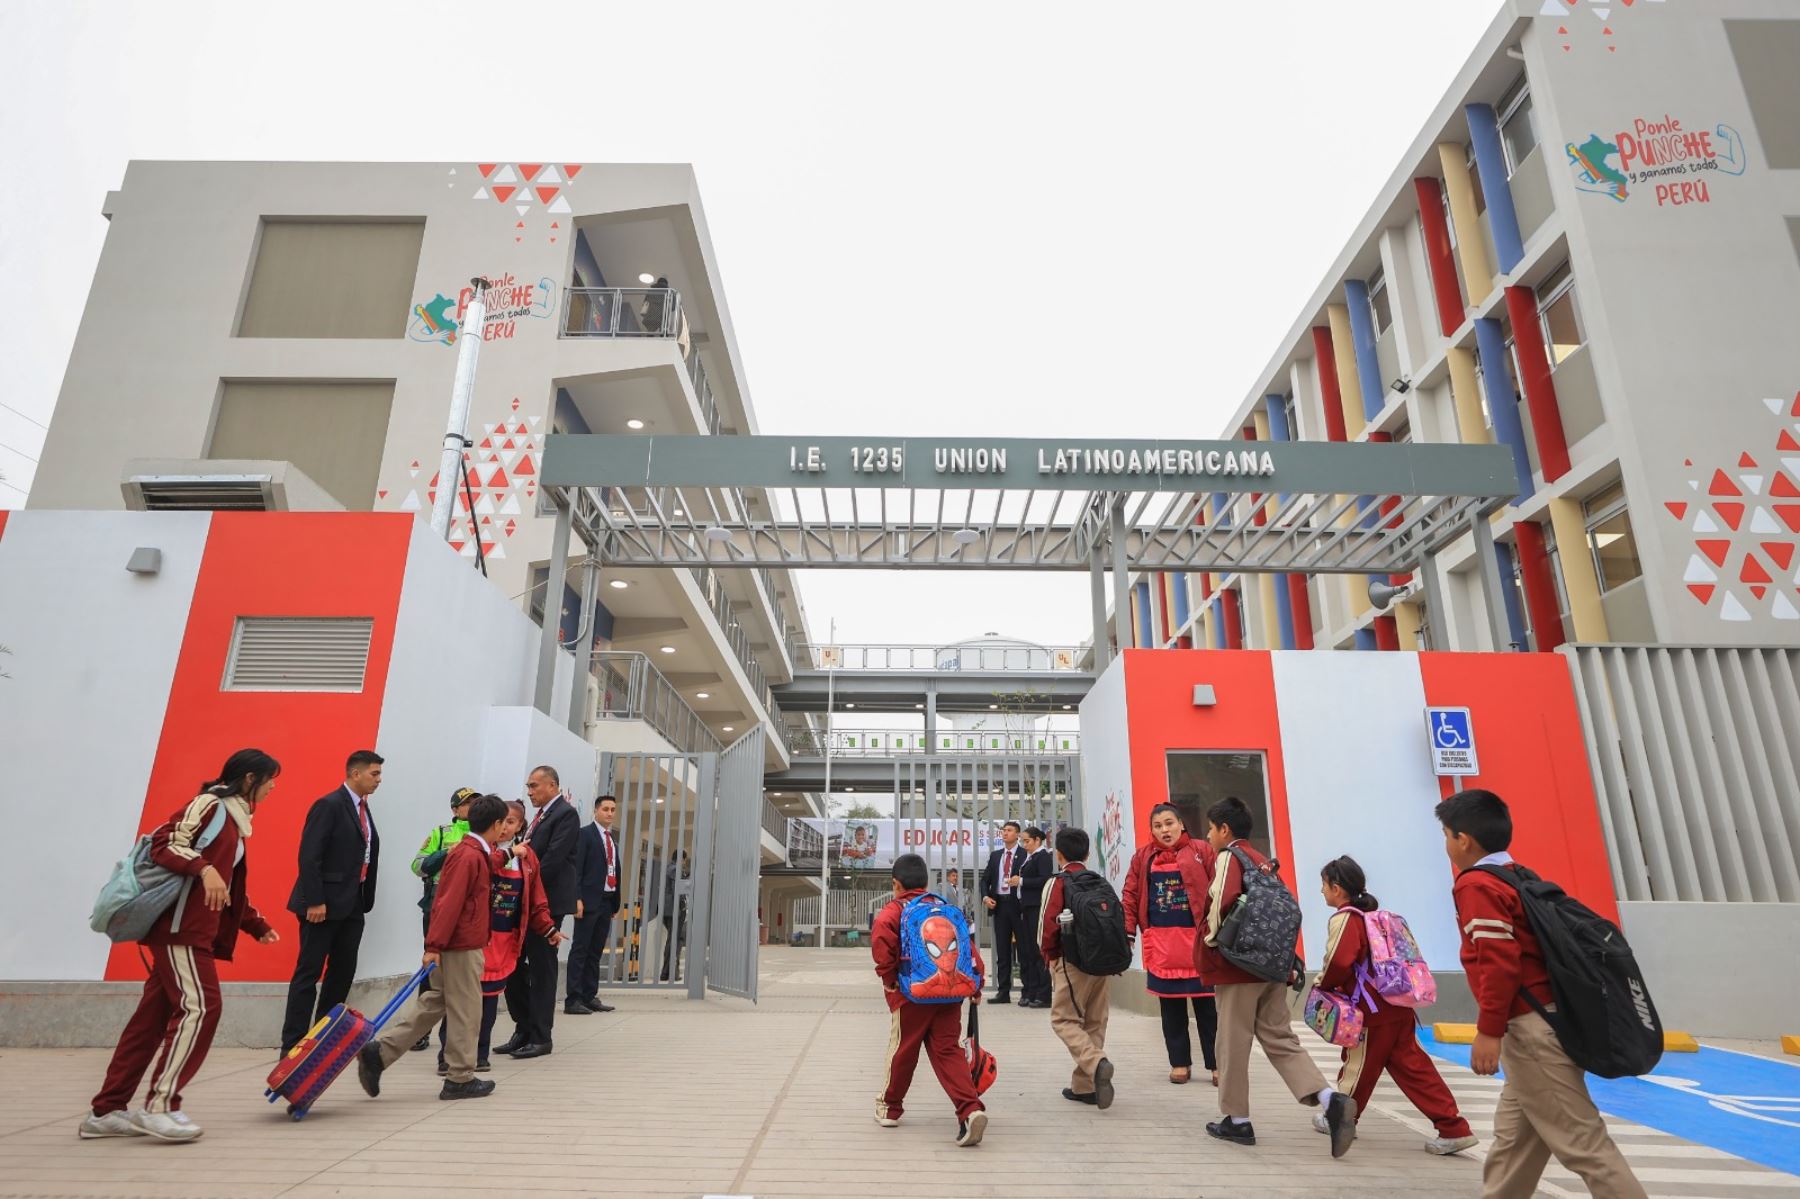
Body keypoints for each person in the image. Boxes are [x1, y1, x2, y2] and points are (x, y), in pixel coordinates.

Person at [1437, 791, 1647, 1198]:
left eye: (1446, 836)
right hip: (1550, 1019)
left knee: (1585, 1146)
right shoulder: (1519, 876)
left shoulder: (1476, 885)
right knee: (1514, 1146)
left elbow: (1499, 962)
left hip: (1531, 1031)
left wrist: (1489, 1030)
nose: (1446, 846)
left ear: (1464, 840)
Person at [81, 749, 283, 1142]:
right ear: (248, 779)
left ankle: (105, 1111)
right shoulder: (210, 805)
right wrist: (203, 867)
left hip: (193, 930)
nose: (274, 786)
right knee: (202, 1007)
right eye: (271, 778)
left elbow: (226, 888)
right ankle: (160, 1106)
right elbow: (165, 844)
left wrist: (255, 924)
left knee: (150, 1023)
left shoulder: (237, 823)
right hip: (180, 930)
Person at [359, 795, 561, 1101]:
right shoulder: (468, 856)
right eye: (502, 823)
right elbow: (448, 903)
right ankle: (460, 1077)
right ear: (494, 824)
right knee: (468, 1010)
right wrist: (434, 945)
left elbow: (487, 865)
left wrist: (507, 856)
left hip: (454, 944)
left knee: (434, 1002)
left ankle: (380, 1053)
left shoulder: (473, 852)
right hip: (461, 945)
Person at [1201, 796, 1355, 1156]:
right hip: (1271, 964)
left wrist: (1211, 943)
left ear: (1225, 830)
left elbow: (1221, 901)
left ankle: (1237, 1121)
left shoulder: (1229, 857)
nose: (1208, 836)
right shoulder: (1263, 861)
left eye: (1210, 829)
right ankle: (1328, 1098)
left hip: (1239, 965)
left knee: (1232, 1041)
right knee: (1280, 1037)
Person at [1311, 855, 1477, 1155]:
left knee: (1358, 1065)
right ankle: (1454, 1128)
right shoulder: (1375, 916)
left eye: (1323, 885)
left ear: (1337, 888)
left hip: (1370, 1010)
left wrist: (1322, 984)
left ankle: (1338, 1118)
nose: (1322, 891)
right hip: (1397, 1004)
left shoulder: (1345, 918)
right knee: (1415, 1068)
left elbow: (1338, 960)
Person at [870, 853, 988, 1147]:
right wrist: (975, 986)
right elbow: (968, 950)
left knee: (903, 1049)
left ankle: (890, 1107)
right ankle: (970, 1109)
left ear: (895, 884)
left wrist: (890, 981)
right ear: (926, 882)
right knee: (949, 1051)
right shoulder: (945, 908)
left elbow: (882, 950)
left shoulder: (892, 911)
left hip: (911, 994)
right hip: (950, 994)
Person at [280, 750, 383, 1055]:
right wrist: (315, 900)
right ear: (355, 774)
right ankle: (293, 1045)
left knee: (342, 972)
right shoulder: (329, 805)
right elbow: (309, 856)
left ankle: (322, 1037)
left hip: (353, 903)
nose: (379, 780)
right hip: (322, 905)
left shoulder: (363, 808)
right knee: (308, 973)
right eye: (374, 774)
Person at [1123, 803, 1219, 1085]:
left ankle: (1217, 1065)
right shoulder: (1143, 857)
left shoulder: (1203, 851)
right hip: (1162, 943)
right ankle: (1179, 1063)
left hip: (1200, 941)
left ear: (1181, 824)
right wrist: (1128, 932)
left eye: (1169, 823)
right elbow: (1130, 894)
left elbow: (1219, 887)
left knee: (1208, 1008)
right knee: (1171, 1008)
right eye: (1158, 826)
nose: (1164, 830)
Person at [466, 800, 554, 1072]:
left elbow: (536, 898)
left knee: (489, 1000)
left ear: (521, 826)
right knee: (463, 1000)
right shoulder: (480, 851)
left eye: (511, 822)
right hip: (474, 938)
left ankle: (479, 1055)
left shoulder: (527, 858)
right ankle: (451, 1056)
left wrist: (548, 927)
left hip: (504, 941)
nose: (505, 827)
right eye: (501, 821)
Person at [497, 765, 577, 1058]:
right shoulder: (541, 816)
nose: (529, 792)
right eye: (528, 787)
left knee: (543, 968)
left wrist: (527, 887)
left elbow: (552, 861)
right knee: (514, 964)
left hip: (546, 902)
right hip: (525, 900)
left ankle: (541, 1036)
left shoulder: (565, 814)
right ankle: (524, 1027)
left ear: (552, 785)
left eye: (534, 786)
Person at [1040, 826, 1115, 1110]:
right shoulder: (1099, 881)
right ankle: (1084, 1087)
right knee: (1094, 1021)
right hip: (1102, 964)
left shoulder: (1058, 882)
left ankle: (1096, 1063)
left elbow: (1047, 927)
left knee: (1064, 1020)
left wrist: (1049, 957)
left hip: (1071, 962)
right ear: (1087, 853)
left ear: (1058, 855)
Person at [408, 787, 477, 1052]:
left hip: (470, 913)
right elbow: (417, 866)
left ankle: (456, 1041)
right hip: (437, 908)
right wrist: (450, 853)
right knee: (432, 969)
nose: (472, 808)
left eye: (476, 803)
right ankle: (420, 1032)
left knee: (463, 975)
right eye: (467, 804)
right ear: (455, 810)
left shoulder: (487, 835)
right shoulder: (442, 833)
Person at [567, 795, 622, 1015]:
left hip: (606, 902)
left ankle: (589, 996)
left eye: (613, 809)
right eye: (606, 809)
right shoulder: (585, 835)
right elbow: (577, 870)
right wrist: (577, 898)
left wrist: (615, 903)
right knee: (580, 949)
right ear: (596, 811)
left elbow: (613, 869)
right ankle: (573, 999)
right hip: (588, 902)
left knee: (595, 951)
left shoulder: (611, 840)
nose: (610, 813)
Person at [979, 820, 1030, 1004]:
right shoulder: (995, 856)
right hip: (1000, 906)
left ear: (1017, 834)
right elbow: (984, 880)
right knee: (1002, 950)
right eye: (1003, 830)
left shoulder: (1025, 855)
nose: (1005, 833)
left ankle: (1027, 990)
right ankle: (1003, 991)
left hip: (1018, 906)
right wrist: (986, 897)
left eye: (1009, 830)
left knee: (1024, 948)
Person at [1014, 826, 1056, 1007]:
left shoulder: (1043, 857)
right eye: (1022, 841)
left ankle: (1043, 994)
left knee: (1039, 951)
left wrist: (1021, 881)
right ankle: (1031, 991)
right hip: (1026, 907)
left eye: (1027, 841)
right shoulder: (1029, 858)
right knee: (1028, 950)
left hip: (1037, 907)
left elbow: (1044, 879)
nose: (1024, 845)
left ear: (1037, 840)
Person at [658, 850, 690, 982]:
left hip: (666, 909)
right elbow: (678, 890)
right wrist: (684, 905)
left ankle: (666, 973)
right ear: (682, 859)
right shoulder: (675, 869)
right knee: (677, 939)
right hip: (674, 909)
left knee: (672, 939)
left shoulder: (667, 868)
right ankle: (671, 972)